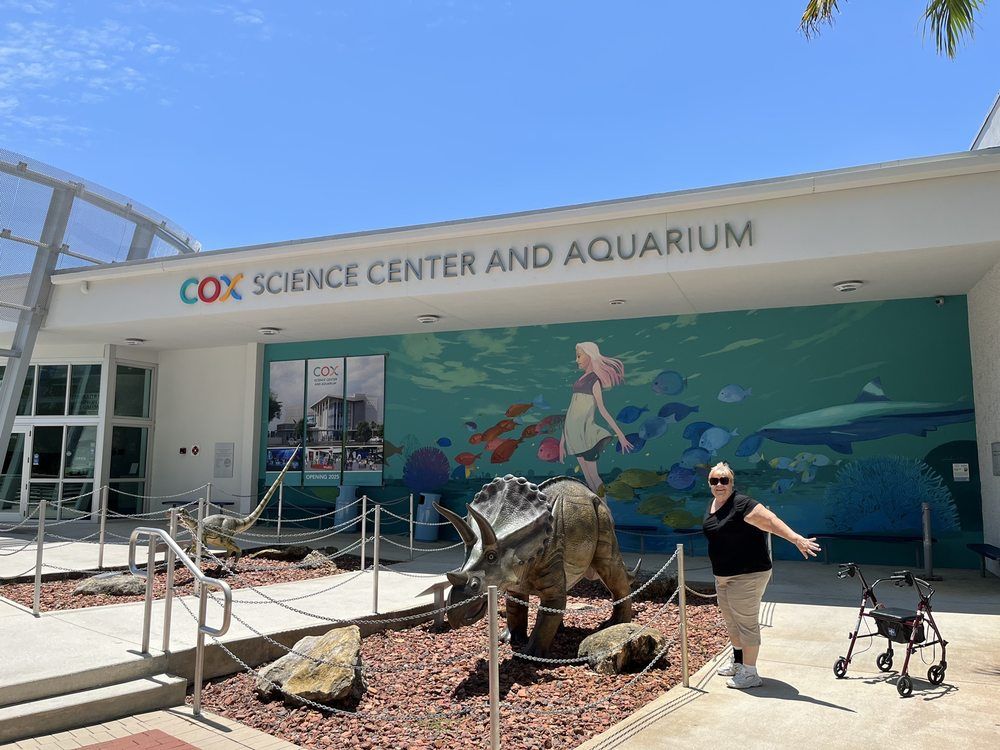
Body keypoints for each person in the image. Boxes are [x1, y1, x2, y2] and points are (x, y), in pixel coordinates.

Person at [702, 461, 821, 688]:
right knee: (732, 621)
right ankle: (738, 663)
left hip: (748, 574)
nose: (719, 484)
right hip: (723, 575)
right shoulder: (714, 504)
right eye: (714, 480)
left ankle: (750, 673)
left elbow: (771, 521)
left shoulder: (743, 504)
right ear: (709, 484)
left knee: (746, 623)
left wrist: (796, 539)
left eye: (724, 480)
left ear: (732, 483)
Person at [559, 342, 633, 494]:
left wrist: (620, 434)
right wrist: (562, 441)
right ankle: (596, 511)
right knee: (588, 478)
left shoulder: (594, 380)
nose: (576, 360)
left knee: (594, 476)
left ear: (590, 355)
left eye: (579, 356)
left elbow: (603, 409)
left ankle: (605, 510)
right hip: (574, 437)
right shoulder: (580, 380)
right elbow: (571, 413)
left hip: (586, 436)